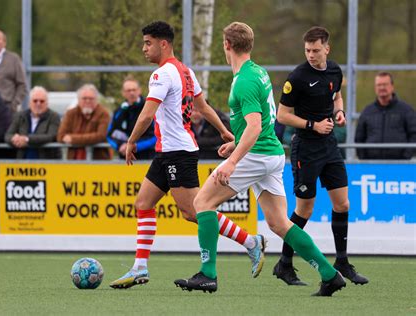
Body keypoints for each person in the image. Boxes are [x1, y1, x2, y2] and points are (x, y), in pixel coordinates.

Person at [174, 22, 346, 296]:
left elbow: (254, 126)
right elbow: (261, 123)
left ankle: (207, 274)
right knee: (279, 223)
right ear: (250, 45)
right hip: (272, 153)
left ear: (226, 46)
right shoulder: (258, 72)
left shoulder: (244, 80)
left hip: (257, 155)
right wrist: (235, 144)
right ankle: (329, 274)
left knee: (201, 203)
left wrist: (232, 162)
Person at [110, 21, 264, 289]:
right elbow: (203, 107)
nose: (144, 48)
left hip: (178, 153)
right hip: (167, 152)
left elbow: (147, 113)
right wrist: (224, 131)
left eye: (148, 43)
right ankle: (139, 268)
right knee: (143, 204)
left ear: (163, 44)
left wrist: (132, 141)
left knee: (194, 212)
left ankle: (251, 242)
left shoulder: (161, 74)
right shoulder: (186, 71)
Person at [274, 26, 368, 286]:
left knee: (343, 204)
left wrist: (339, 112)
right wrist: (312, 125)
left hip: (329, 147)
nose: (311, 55)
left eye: (316, 50)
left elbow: (337, 97)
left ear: (327, 48)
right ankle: (284, 263)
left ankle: (342, 261)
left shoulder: (335, 71)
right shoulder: (298, 78)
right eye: (307, 50)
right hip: (306, 148)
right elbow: (282, 116)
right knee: (305, 209)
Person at [355, 72, 415, 159]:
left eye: (385, 84)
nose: (382, 88)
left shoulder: (406, 110)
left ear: (392, 86)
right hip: (372, 166)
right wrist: (364, 160)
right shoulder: (367, 111)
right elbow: (359, 138)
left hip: (400, 166)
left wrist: (406, 157)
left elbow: (414, 135)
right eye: (379, 85)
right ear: (375, 88)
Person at [57, 84, 112, 160]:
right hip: (73, 161)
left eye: (91, 99)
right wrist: (90, 137)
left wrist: (73, 139)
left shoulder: (103, 114)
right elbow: (60, 136)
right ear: (78, 100)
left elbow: (100, 136)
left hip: (98, 162)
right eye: (84, 98)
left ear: (96, 100)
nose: (87, 101)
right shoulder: (70, 113)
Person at [5, 86, 61, 159]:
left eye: (42, 101)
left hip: (46, 164)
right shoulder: (20, 116)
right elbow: (8, 135)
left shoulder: (54, 116)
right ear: (30, 103)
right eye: (35, 101)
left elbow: (51, 136)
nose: (38, 104)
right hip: (22, 165)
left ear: (47, 103)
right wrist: (14, 139)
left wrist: (27, 139)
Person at [107, 76, 155, 159]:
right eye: (128, 90)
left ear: (139, 90)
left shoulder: (149, 108)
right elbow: (109, 135)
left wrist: (136, 146)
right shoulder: (118, 111)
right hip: (124, 158)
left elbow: (157, 135)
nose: (131, 93)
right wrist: (120, 146)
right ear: (123, 93)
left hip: (148, 157)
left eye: (134, 90)